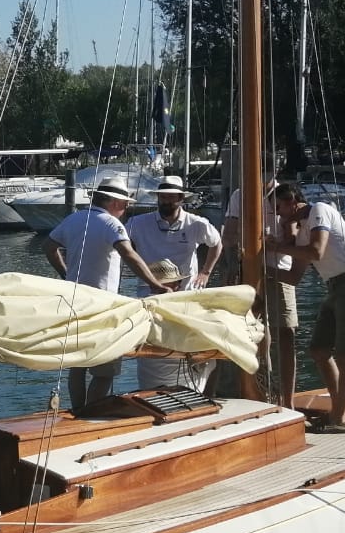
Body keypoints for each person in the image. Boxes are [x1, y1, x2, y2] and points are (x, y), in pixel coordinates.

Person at [44, 178, 174, 412]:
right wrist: (155, 284)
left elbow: (49, 246)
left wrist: (66, 274)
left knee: (78, 365)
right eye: (125, 204)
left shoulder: (74, 218)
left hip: (75, 301)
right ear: (115, 202)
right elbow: (129, 255)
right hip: (103, 306)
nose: (126, 210)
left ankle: (76, 410)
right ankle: (90, 413)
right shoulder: (112, 225)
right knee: (105, 370)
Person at [268, 181, 345, 434]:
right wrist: (264, 271)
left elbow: (317, 252)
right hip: (333, 286)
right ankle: (340, 411)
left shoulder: (320, 209)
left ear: (292, 202)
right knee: (319, 350)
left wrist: (278, 246)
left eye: (279, 208)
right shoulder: (303, 231)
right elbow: (294, 277)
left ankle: (337, 417)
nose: (278, 214)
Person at [220, 171, 298, 406]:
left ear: (273, 172)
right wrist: (232, 262)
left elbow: (293, 233)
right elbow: (229, 233)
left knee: (286, 332)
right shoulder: (239, 194)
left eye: (265, 172)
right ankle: (258, 390)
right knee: (251, 331)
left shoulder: (284, 194)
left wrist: (274, 242)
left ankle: (288, 399)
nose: (260, 176)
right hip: (249, 269)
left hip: (278, 269)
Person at [125, 174, 221, 292]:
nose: (166, 201)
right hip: (149, 295)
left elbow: (216, 243)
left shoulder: (196, 223)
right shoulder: (137, 223)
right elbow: (122, 246)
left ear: (181, 199)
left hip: (185, 294)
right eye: (163, 197)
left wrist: (206, 272)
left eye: (171, 197)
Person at [136, 258, 211, 391]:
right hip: (181, 386)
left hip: (147, 383)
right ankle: (209, 396)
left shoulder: (140, 308)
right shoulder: (182, 310)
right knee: (212, 361)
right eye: (178, 282)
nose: (180, 285)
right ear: (169, 285)